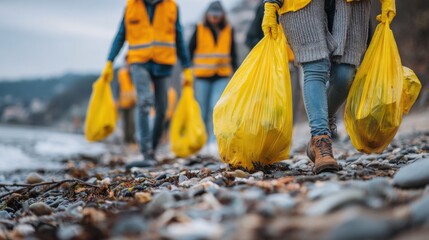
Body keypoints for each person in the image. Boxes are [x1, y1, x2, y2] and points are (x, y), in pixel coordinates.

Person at [262, 0, 395, 173]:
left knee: (344, 76)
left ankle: (321, 125)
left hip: (350, 5)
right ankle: (321, 141)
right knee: (315, 67)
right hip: (300, 5)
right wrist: (271, 3)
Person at [100, 0, 193, 169]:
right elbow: (121, 35)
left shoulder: (172, 7)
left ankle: (153, 149)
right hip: (139, 62)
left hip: (163, 63)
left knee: (162, 108)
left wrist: (186, 67)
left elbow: (178, 37)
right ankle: (146, 151)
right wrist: (110, 61)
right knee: (144, 101)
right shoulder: (131, 6)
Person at [188, 1, 238, 155]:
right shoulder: (199, 29)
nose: (214, 19)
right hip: (202, 76)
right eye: (212, 16)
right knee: (202, 111)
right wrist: (187, 71)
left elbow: (233, 53)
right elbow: (189, 50)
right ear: (207, 15)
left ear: (222, 15)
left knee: (215, 109)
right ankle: (202, 142)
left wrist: (236, 73)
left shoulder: (229, 30)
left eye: (217, 16)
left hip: (221, 75)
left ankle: (213, 143)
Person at [245, 1, 305, 125]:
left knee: (291, 100)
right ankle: (269, 128)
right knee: (270, 100)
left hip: (293, 62)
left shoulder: (296, 4)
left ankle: (286, 130)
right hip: (272, 65)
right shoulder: (264, 8)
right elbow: (250, 37)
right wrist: (266, 49)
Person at [117, 65, 137, 145]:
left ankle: (131, 138)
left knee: (131, 121)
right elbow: (118, 87)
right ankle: (127, 139)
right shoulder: (121, 74)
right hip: (123, 102)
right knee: (125, 122)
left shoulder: (134, 73)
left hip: (132, 102)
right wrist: (117, 100)